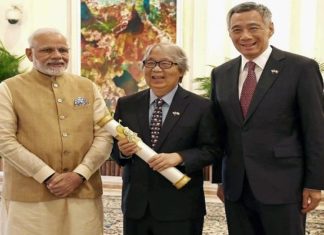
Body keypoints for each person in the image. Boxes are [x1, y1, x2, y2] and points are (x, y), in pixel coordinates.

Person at [211, 2, 324, 235]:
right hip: (237, 185)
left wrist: (315, 183)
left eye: (253, 28)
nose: (245, 36)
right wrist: (220, 179)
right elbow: (220, 131)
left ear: (270, 28)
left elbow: (316, 130)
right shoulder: (221, 74)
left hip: (284, 185)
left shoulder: (300, 68)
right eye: (237, 29)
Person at [0, 28, 113, 235]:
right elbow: (4, 141)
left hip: (83, 191)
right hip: (30, 196)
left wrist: (80, 174)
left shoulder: (86, 87)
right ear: (29, 53)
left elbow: (105, 134)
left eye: (63, 50)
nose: (57, 56)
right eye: (47, 50)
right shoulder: (8, 89)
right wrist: (47, 176)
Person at [111, 42, 222, 235]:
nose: (156, 69)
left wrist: (180, 157)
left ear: (181, 70)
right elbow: (113, 147)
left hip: (180, 207)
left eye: (165, 63)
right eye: (150, 63)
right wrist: (122, 151)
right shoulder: (127, 104)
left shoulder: (201, 107)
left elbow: (213, 149)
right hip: (136, 206)